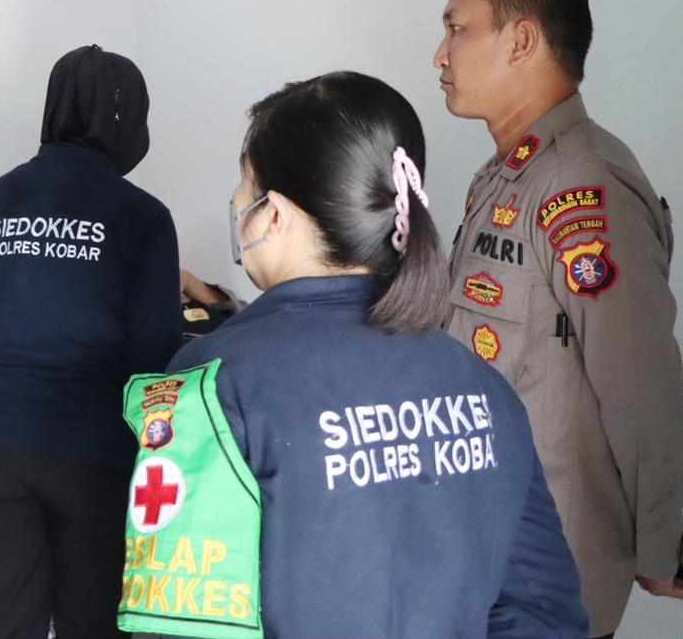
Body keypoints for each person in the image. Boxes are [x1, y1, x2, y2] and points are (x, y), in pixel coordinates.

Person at [120, 71, 588, 638]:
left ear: (274, 213)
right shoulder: (485, 389)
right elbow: (543, 611)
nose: (236, 202)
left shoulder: (210, 385)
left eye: (244, 184)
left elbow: (181, 622)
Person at [435, 0, 683, 637]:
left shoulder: (584, 184)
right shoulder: (505, 176)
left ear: (521, 40)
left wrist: (665, 540)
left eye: (456, 29)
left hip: (549, 577)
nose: (440, 55)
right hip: (486, 549)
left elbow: (639, 379)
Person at [0, 45, 181, 638]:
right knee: (91, 622)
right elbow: (154, 353)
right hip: (88, 449)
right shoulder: (143, 215)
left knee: (9, 622)